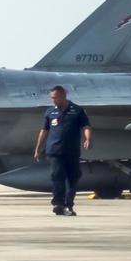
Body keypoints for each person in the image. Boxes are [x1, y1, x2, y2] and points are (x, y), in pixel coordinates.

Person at [34, 85, 93, 216]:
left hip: (72, 151)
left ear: (63, 96)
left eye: (55, 98)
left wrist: (88, 139)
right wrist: (38, 148)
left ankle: (68, 205)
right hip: (54, 150)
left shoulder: (77, 110)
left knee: (73, 178)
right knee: (57, 176)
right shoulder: (50, 112)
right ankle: (58, 204)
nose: (53, 100)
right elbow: (44, 131)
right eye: (52, 98)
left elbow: (86, 126)